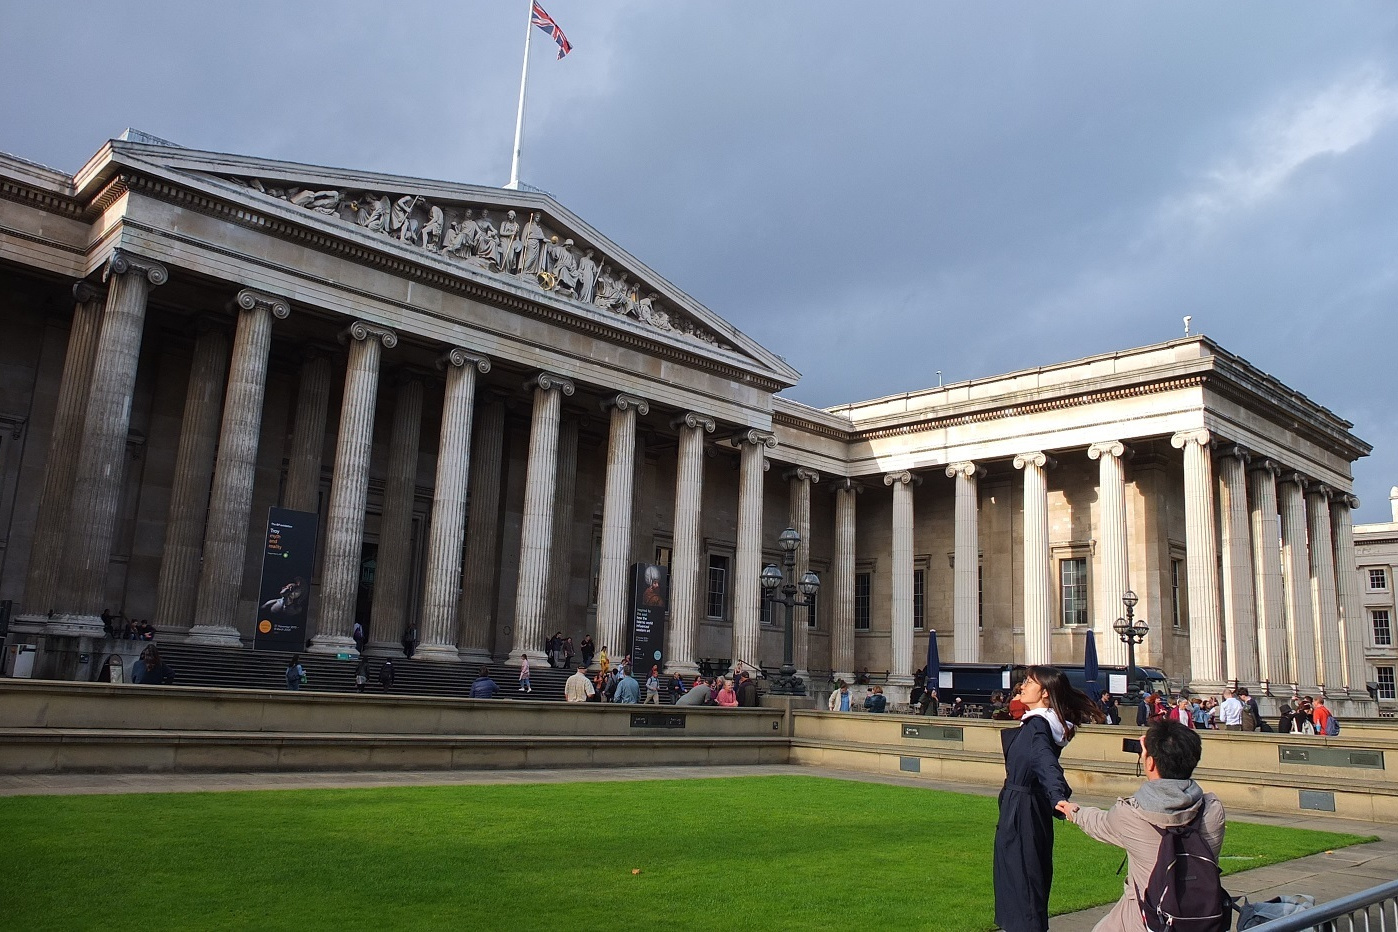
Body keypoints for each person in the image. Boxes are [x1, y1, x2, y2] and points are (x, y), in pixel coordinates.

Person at [1058, 720, 1226, 932]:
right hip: (1202, 917)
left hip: (1146, 920)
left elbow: (1098, 823)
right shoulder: (1212, 810)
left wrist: (1074, 812)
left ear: (1151, 763)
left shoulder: (1130, 814)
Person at [994, 665, 1104, 932]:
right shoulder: (1039, 723)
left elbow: (1045, 762)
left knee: (1024, 884)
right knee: (1020, 881)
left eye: (1029, 682)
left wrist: (1058, 795)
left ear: (1045, 693)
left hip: (1023, 811)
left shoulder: (1038, 726)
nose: (1023, 686)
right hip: (1022, 806)